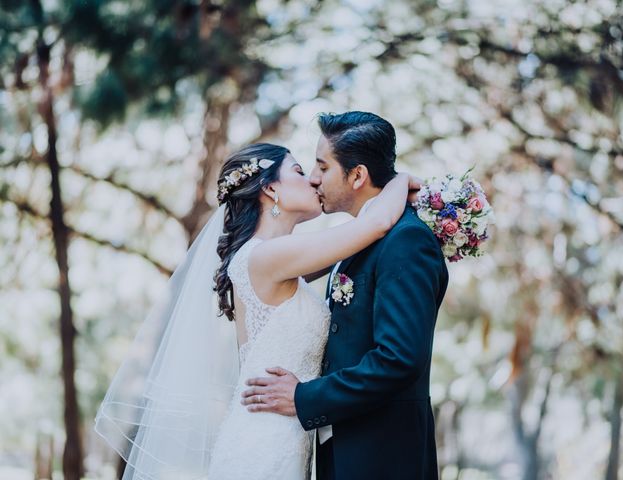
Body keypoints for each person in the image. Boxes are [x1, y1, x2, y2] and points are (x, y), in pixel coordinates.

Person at [95, 136, 419, 479]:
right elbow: (375, 225)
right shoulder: (265, 256)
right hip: (264, 443)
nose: (312, 178)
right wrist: (398, 180)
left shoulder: (277, 257)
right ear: (270, 190)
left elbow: (356, 245)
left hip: (283, 433)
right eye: (298, 170)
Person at [241, 111, 449, 480]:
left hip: (383, 457)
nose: (314, 178)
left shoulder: (405, 240)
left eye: (322, 166)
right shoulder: (355, 239)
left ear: (357, 176)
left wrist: (304, 398)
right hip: (335, 450)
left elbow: (399, 358)